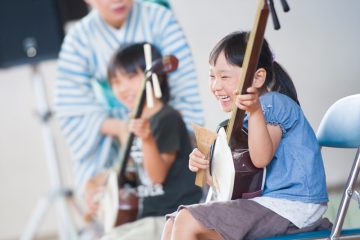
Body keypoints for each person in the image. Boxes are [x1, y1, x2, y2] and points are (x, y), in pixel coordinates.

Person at [161, 31, 331, 240]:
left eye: (224, 77)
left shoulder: (272, 103)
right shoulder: (242, 119)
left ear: (258, 77)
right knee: (174, 220)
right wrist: (205, 169)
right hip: (266, 204)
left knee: (187, 219)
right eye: (212, 76)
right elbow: (232, 185)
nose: (215, 86)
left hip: (292, 205)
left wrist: (256, 112)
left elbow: (260, 159)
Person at [54, 0, 204, 194]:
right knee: (100, 187)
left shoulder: (159, 17)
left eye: (132, 77)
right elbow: (71, 107)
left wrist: (157, 126)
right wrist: (122, 128)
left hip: (162, 122)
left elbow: (185, 89)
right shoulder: (79, 37)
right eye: (115, 82)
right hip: (115, 134)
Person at [86, 42, 202, 239]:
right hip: (144, 217)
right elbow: (129, 171)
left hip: (171, 216)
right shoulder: (132, 123)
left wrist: (147, 139)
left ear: (154, 77)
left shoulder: (168, 118)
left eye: (130, 77)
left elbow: (157, 177)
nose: (122, 88)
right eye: (116, 82)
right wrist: (95, 185)